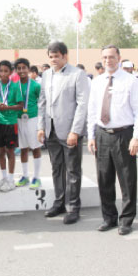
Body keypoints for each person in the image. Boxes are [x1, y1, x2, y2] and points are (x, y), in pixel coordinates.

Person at [87, 45, 138, 235]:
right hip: (102, 134)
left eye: (111, 57)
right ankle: (109, 218)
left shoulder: (131, 81)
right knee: (104, 178)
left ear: (119, 58)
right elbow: (92, 111)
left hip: (124, 134)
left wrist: (137, 137)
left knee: (127, 180)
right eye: (104, 57)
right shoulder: (96, 82)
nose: (108, 61)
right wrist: (91, 135)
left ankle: (126, 220)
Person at [37, 41, 90, 225]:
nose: (53, 60)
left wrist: (75, 131)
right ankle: (59, 202)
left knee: (72, 170)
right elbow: (42, 102)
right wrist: (41, 126)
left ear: (65, 56)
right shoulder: (46, 75)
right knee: (56, 168)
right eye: (50, 57)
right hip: (51, 130)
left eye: (56, 56)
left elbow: (82, 105)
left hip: (69, 131)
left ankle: (73, 207)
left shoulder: (77, 75)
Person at [0, 60, 23, 192]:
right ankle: (4, 177)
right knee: (0, 150)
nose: (3, 73)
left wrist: (8, 107)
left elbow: (21, 105)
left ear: (10, 72)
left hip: (11, 123)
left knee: (10, 151)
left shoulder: (15, 86)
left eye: (6, 71)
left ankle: (10, 179)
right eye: (1, 71)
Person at [14, 58, 43, 189]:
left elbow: (42, 103)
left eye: (24, 68)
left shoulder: (36, 85)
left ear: (28, 69)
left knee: (35, 148)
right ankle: (25, 176)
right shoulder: (14, 86)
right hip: (20, 120)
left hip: (33, 119)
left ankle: (36, 177)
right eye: (18, 68)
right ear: (16, 70)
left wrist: (41, 122)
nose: (21, 71)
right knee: (23, 148)